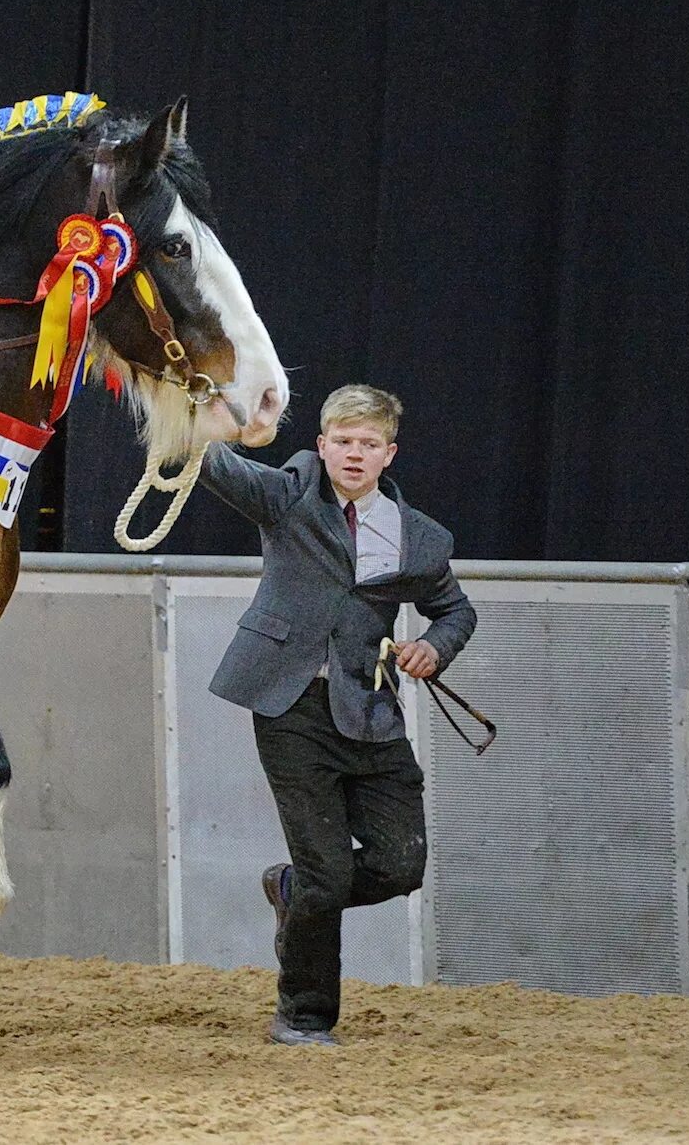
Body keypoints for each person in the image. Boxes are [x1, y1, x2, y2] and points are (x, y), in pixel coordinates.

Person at [197, 384, 476, 1046]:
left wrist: (432, 647)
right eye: (343, 442)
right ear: (321, 446)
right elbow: (210, 464)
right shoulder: (288, 495)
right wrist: (199, 419)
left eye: (368, 444)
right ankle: (303, 1015)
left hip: (370, 710)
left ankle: (293, 890)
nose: (354, 454)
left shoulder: (420, 537)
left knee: (400, 864)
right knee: (328, 872)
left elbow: (455, 610)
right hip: (289, 705)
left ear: (389, 454)